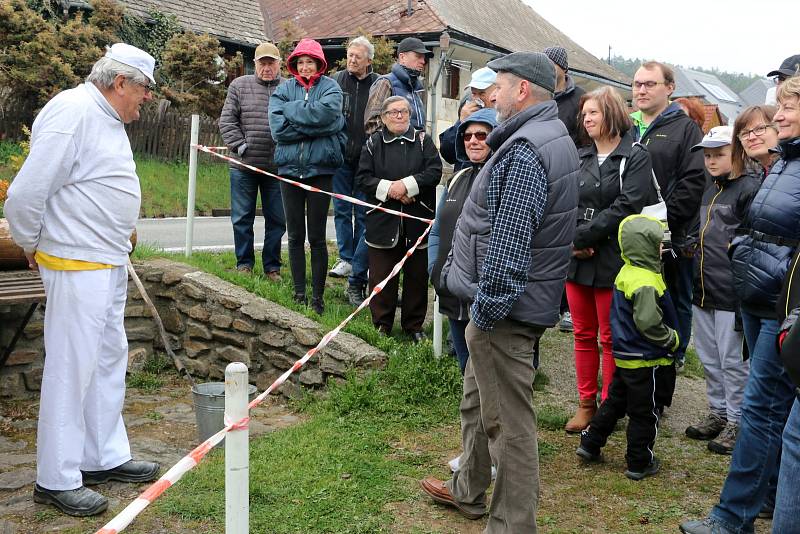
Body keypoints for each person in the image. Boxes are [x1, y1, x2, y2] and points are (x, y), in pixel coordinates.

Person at [420, 51, 579, 533]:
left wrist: (485, 312)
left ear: (523, 90)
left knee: (507, 426)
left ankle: (511, 525)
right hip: (497, 306)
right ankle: (468, 488)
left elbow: (510, 243)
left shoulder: (528, 148)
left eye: (500, 85)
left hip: (502, 311)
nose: (492, 94)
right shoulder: (544, 137)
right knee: (476, 400)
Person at [4, 43, 160, 517]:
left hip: (104, 259)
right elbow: (26, 193)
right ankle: (56, 477)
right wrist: (30, 243)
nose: (148, 99)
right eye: (145, 89)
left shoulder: (105, 116)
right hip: (75, 262)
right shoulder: (72, 112)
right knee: (72, 367)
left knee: (108, 358)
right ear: (119, 83)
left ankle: (102, 456)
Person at [680, 75, 800, 534]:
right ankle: (760, 502)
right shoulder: (785, 163)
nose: (778, 116)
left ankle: (732, 519)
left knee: (761, 408)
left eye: (787, 109)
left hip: (780, 306)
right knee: (771, 412)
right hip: (759, 297)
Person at [563, 87, 657, 433]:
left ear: (612, 115)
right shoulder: (579, 155)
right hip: (578, 257)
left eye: (594, 113)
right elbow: (564, 200)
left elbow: (628, 204)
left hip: (613, 257)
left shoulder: (635, 156)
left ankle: (609, 406)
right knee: (582, 333)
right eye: (584, 113)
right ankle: (586, 403)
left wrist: (585, 236)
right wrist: (573, 238)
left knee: (610, 337)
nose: (586, 118)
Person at [577, 214, 679, 480]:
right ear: (644, 246)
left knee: (614, 403)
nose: (661, 248)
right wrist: (671, 339)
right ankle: (639, 461)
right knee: (644, 413)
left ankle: (590, 443)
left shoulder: (626, 271)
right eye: (657, 244)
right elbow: (647, 322)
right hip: (646, 359)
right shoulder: (646, 280)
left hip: (624, 356)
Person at [428, 107, 498, 476]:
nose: (473, 141)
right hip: (451, 292)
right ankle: (475, 454)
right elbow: (438, 229)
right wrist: (434, 271)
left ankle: (491, 458)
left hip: (480, 297)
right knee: (467, 377)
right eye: (468, 136)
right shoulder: (456, 179)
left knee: (487, 382)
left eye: (482, 135)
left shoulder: (499, 177)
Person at [683, 126, 758, 455]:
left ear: (737, 153)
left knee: (732, 360)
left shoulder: (749, 189)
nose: (711, 160)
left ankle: (738, 420)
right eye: (707, 154)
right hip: (703, 289)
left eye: (719, 154)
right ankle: (718, 412)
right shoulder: (709, 188)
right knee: (709, 357)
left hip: (730, 294)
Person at [630, 61, 705, 377]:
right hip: (628, 236)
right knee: (633, 304)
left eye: (650, 84)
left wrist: (660, 227)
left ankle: (668, 367)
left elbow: (692, 183)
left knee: (670, 305)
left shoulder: (685, 128)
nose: (642, 90)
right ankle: (632, 371)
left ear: (669, 88)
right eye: (637, 84)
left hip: (668, 240)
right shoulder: (628, 127)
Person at [268, 38, 346, 315]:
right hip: (289, 170)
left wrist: (294, 113)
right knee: (295, 235)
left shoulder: (331, 88)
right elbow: (279, 130)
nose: (305, 67)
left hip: (320, 171)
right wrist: (318, 127)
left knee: (316, 237)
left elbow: (330, 114)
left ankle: (318, 297)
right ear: (294, 65)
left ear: (319, 64)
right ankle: (299, 293)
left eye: (309, 62)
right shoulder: (283, 89)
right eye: (300, 62)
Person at [357, 96, 440, 340]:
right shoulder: (373, 144)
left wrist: (406, 185)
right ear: (383, 118)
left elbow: (434, 171)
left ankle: (413, 326)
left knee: (416, 277)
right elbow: (362, 179)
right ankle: (381, 325)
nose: (400, 116)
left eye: (404, 111)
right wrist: (390, 189)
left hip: (418, 220)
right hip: (383, 222)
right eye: (393, 112)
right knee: (382, 275)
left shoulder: (423, 141)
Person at [219, 41, 286, 279]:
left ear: (279, 64)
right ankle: (244, 264)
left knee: (277, 220)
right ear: (255, 64)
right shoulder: (239, 85)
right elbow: (227, 121)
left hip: (277, 169)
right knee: (242, 218)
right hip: (243, 166)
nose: (267, 68)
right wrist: (240, 146)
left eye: (271, 63)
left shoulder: (289, 88)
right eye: (262, 63)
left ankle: (272, 267)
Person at [328, 36, 379, 306]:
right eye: (349, 55)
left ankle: (361, 261)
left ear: (369, 60)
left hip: (366, 160)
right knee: (341, 208)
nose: (352, 60)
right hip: (341, 157)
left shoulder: (378, 84)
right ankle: (346, 258)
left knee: (363, 212)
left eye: (357, 56)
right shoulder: (337, 80)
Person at [544, 46, 586, 334]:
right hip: (543, 173)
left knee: (567, 242)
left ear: (562, 68)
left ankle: (569, 308)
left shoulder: (580, 98)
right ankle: (550, 304)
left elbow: (586, 139)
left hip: (571, 174)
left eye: (550, 63)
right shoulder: (540, 95)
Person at [364, 37, 432, 134]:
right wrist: (397, 144)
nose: (423, 61)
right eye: (418, 56)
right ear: (402, 57)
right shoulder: (385, 82)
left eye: (423, 57)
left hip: (415, 148)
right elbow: (372, 124)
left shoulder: (415, 88)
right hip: (392, 148)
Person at [438, 67, 497, 172]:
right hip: (465, 178)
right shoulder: (468, 115)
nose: (477, 99)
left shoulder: (504, 117)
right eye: (474, 93)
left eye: (482, 93)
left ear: (496, 92)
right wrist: (461, 122)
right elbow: (447, 153)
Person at [543, 46, 586, 144]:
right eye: (544, 65)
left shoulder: (581, 97)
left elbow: (586, 136)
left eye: (551, 64)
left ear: (564, 68)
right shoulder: (538, 95)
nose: (546, 68)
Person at [730, 105, 779, 181]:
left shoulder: (794, 170)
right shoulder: (757, 179)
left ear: (779, 129)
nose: (751, 137)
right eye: (745, 133)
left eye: (760, 128)